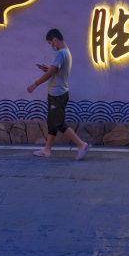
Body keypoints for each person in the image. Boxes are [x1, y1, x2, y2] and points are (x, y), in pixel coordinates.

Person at [26, 28, 90, 160]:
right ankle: (47, 150)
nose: (51, 46)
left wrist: (35, 84)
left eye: (51, 43)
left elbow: (51, 73)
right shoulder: (67, 52)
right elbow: (54, 71)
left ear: (55, 40)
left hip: (57, 94)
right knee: (52, 122)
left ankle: (81, 144)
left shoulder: (61, 53)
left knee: (58, 123)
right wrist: (47, 69)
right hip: (57, 93)